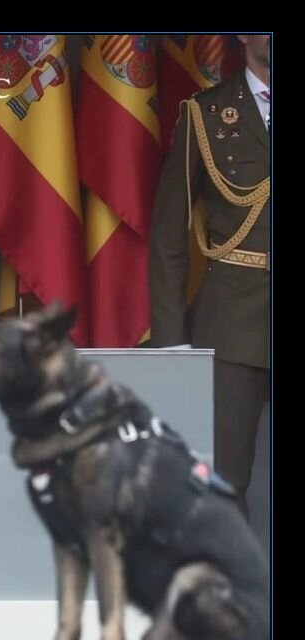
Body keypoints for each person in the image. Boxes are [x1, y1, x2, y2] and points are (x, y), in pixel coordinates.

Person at [149, 34, 270, 515]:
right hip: (232, 319)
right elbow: (168, 234)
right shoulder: (205, 114)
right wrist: (173, 341)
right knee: (223, 481)